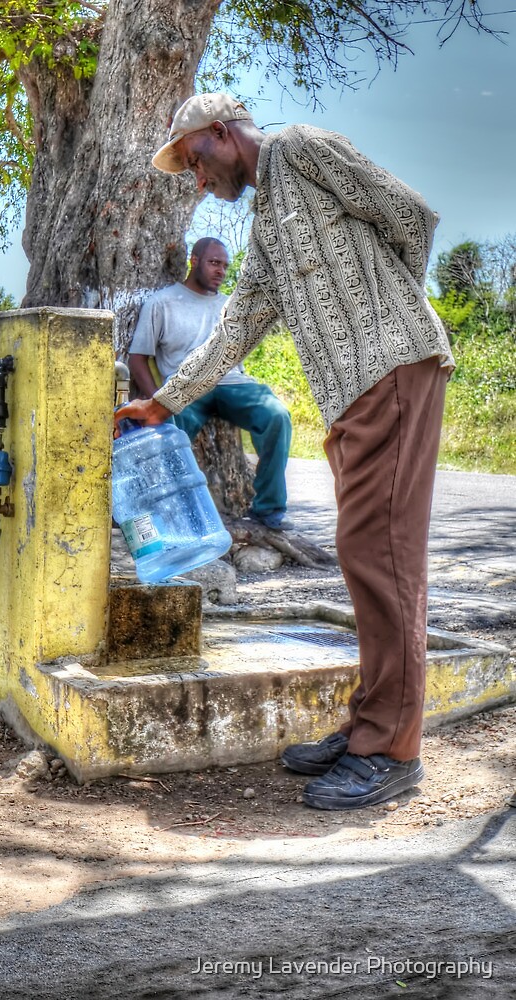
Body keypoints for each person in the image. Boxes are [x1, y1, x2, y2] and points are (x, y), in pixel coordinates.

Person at [114, 92, 454, 811]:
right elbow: (236, 327)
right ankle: (372, 721)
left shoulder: (300, 147)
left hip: (392, 372)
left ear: (218, 133)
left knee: (379, 554)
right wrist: (163, 401)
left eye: (195, 162)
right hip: (357, 393)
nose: (197, 180)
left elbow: (411, 217)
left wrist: (391, 320)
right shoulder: (267, 219)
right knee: (368, 555)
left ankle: (392, 749)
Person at [128, 236, 293, 530]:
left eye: (225, 266)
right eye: (214, 263)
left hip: (231, 383)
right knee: (171, 431)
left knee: (277, 416)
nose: (220, 271)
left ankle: (268, 509)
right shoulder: (162, 303)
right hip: (186, 387)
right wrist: (157, 401)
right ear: (194, 260)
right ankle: (172, 516)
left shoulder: (230, 306)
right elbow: (138, 359)